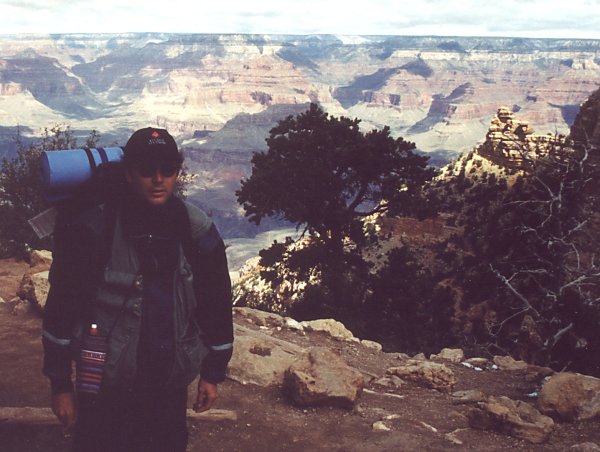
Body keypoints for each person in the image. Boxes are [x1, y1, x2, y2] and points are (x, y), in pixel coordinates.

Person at [42, 127, 234, 452]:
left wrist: (213, 373)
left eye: (167, 170)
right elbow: (62, 306)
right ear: (129, 174)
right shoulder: (95, 228)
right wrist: (61, 386)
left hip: (168, 379)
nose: (158, 179)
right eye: (146, 170)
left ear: (178, 172)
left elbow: (216, 301)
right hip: (104, 380)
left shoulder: (194, 227)